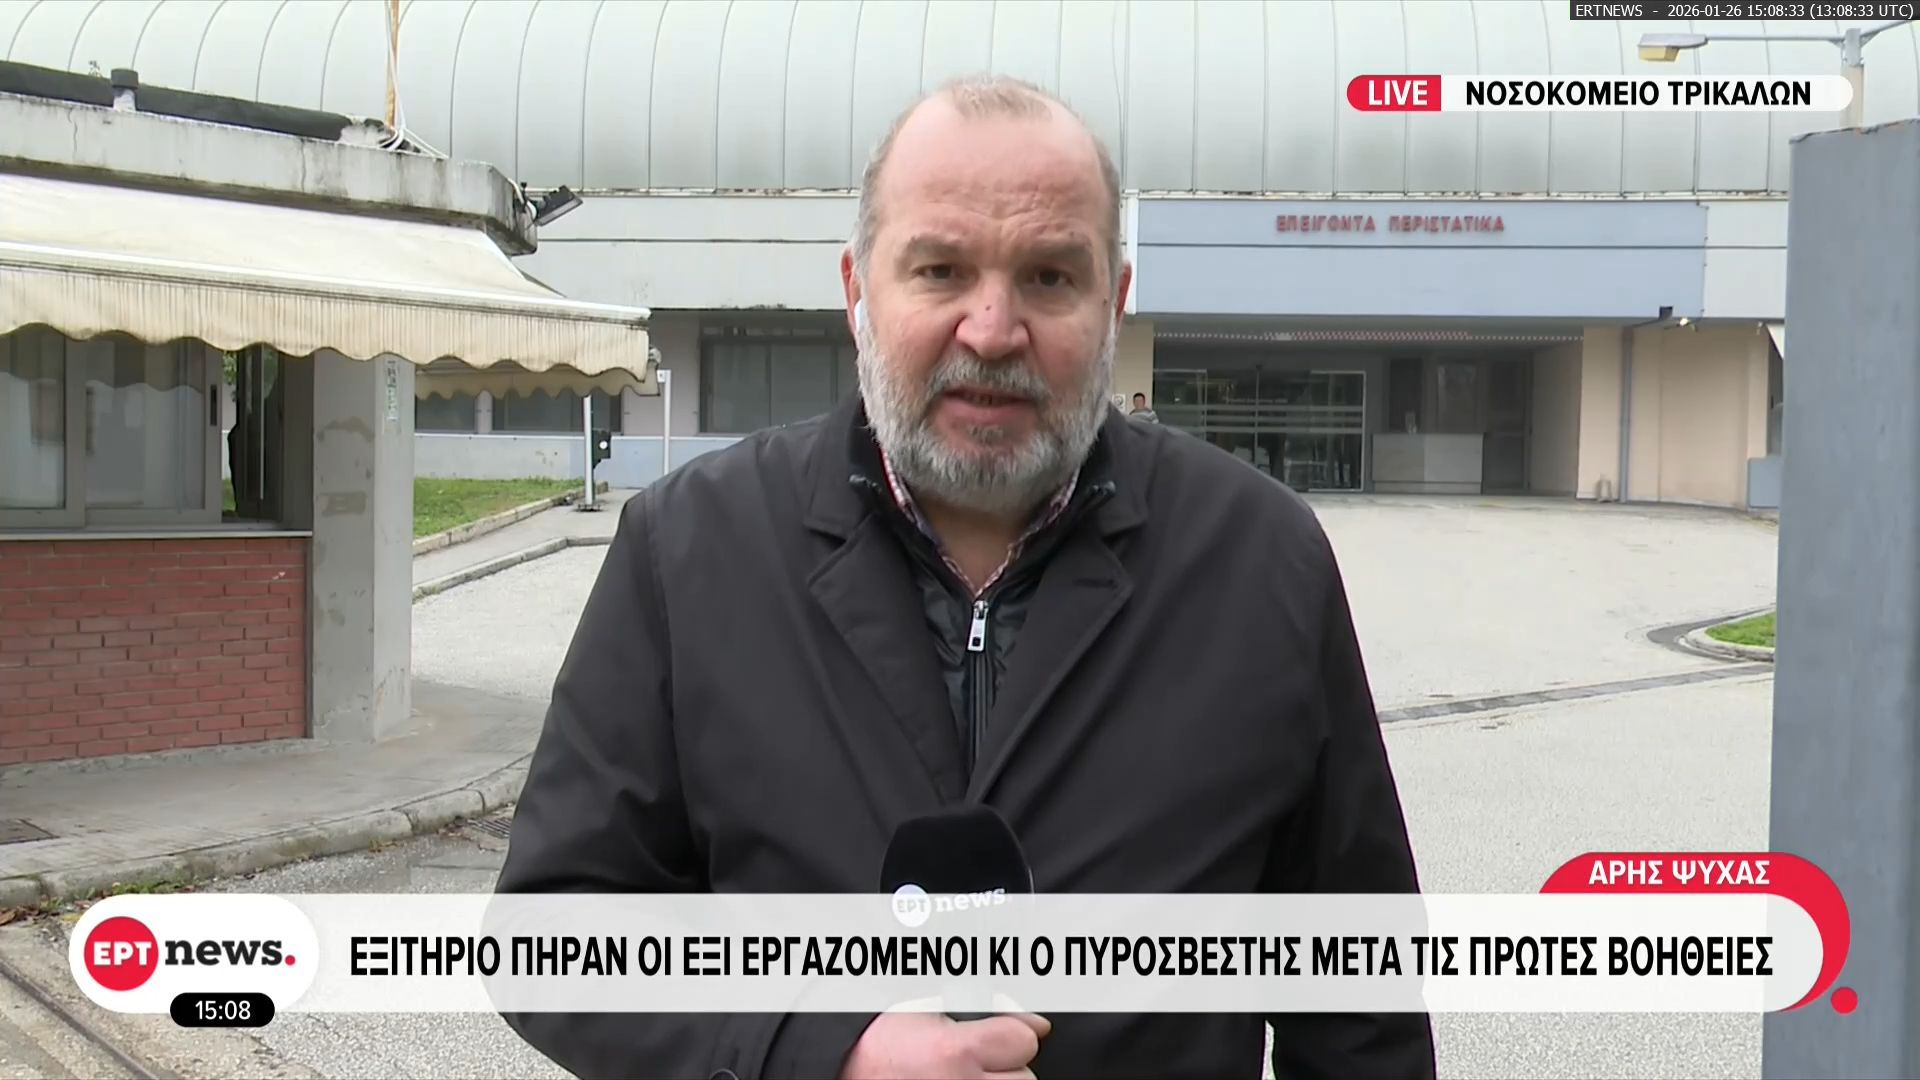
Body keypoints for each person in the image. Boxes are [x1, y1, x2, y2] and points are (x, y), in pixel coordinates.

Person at [495, 74, 1434, 1080]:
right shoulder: (689, 549)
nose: (992, 330)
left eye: (1049, 277)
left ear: (1114, 303)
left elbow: (1360, 1002)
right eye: (940, 270)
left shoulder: (1262, 562)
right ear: (858, 291)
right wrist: (817, 1052)